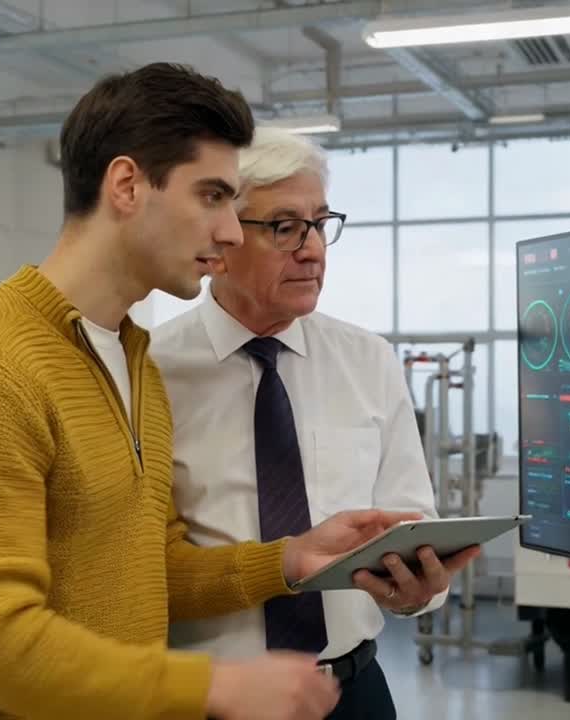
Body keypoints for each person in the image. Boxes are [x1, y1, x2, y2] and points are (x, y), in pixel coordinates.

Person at [0, 64, 419, 720]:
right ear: (127, 185)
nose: (230, 232)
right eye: (212, 197)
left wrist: (288, 558)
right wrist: (212, 686)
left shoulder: (131, 360)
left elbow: (150, 567)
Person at [151, 126, 482, 720]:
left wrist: (418, 591)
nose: (313, 251)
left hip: (351, 691)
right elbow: (140, 563)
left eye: (321, 224)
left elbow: (413, 519)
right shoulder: (151, 372)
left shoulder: (367, 360)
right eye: (285, 227)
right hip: (213, 698)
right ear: (220, 238)